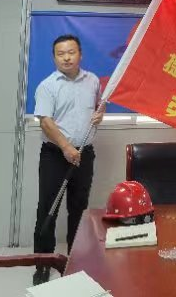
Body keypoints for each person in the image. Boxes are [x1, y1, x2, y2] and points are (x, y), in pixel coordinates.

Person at [32, 34, 104, 285]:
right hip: (55, 155)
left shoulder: (93, 80)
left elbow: (97, 107)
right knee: (47, 209)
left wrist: (100, 114)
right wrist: (65, 147)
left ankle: (76, 260)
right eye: (60, 54)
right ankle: (43, 264)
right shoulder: (47, 86)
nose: (66, 58)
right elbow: (45, 121)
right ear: (54, 57)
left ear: (80, 54)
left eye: (71, 52)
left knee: (79, 209)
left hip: (84, 153)